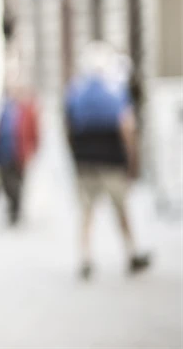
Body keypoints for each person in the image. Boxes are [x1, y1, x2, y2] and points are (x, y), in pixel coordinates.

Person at [66, 43, 150, 280]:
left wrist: (74, 156)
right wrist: (133, 161)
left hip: (85, 162)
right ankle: (132, 253)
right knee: (121, 209)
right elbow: (128, 128)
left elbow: (69, 127)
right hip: (111, 162)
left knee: (86, 212)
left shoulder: (76, 92)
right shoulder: (115, 92)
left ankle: (85, 257)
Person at [0, 85, 39, 226]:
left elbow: (34, 132)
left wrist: (33, 149)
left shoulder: (27, 111)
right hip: (5, 152)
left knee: (17, 182)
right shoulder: (6, 110)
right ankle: (13, 209)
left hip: (20, 152)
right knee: (8, 182)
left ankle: (16, 210)